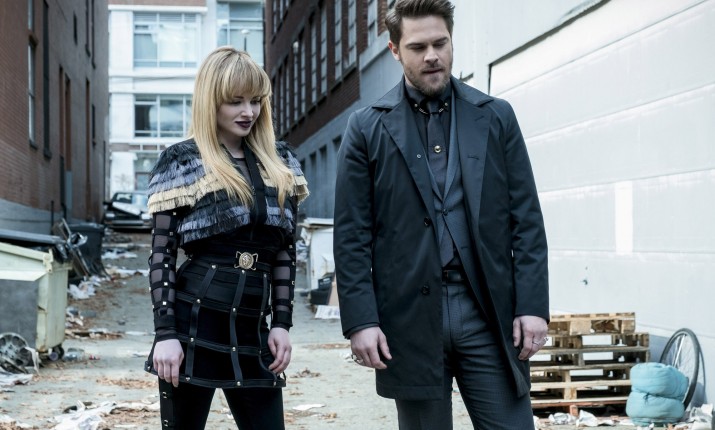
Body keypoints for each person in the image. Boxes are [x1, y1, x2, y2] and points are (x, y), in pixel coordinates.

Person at [333, 0, 549, 428]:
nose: (432, 55)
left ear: (451, 41)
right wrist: (361, 321)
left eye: (440, 43)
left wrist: (533, 306)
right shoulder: (365, 128)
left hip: (488, 312)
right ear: (395, 50)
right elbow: (352, 235)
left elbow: (526, 219)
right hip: (409, 320)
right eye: (418, 47)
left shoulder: (496, 117)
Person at [144, 46, 308, 429]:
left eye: (255, 100)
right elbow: (162, 255)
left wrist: (282, 323)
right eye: (235, 101)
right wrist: (165, 334)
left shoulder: (281, 162)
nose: (248, 111)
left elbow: (285, 252)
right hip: (192, 323)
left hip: (253, 327)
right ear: (211, 101)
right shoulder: (183, 161)